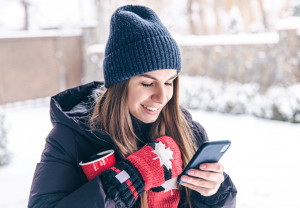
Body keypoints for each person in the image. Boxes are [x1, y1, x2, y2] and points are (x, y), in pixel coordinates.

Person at [28, 5, 237, 208]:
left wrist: (215, 193)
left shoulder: (188, 131)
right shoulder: (71, 137)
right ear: (119, 85)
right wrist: (131, 176)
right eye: (147, 83)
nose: (162, 97)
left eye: (169, 82)